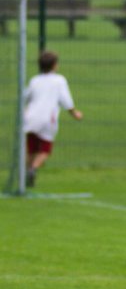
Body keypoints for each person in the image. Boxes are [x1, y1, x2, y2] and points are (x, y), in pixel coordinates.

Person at [22, 50, 84, 188]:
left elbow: (26, 97)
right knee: (45, 149)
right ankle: (33, 168)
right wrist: (75, 113)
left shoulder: (35, 80)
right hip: (47, 119)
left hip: (30, 117)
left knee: (31, 147)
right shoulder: (59, 80)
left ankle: (25, 174)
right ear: (55, 65)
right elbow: (66, 100)